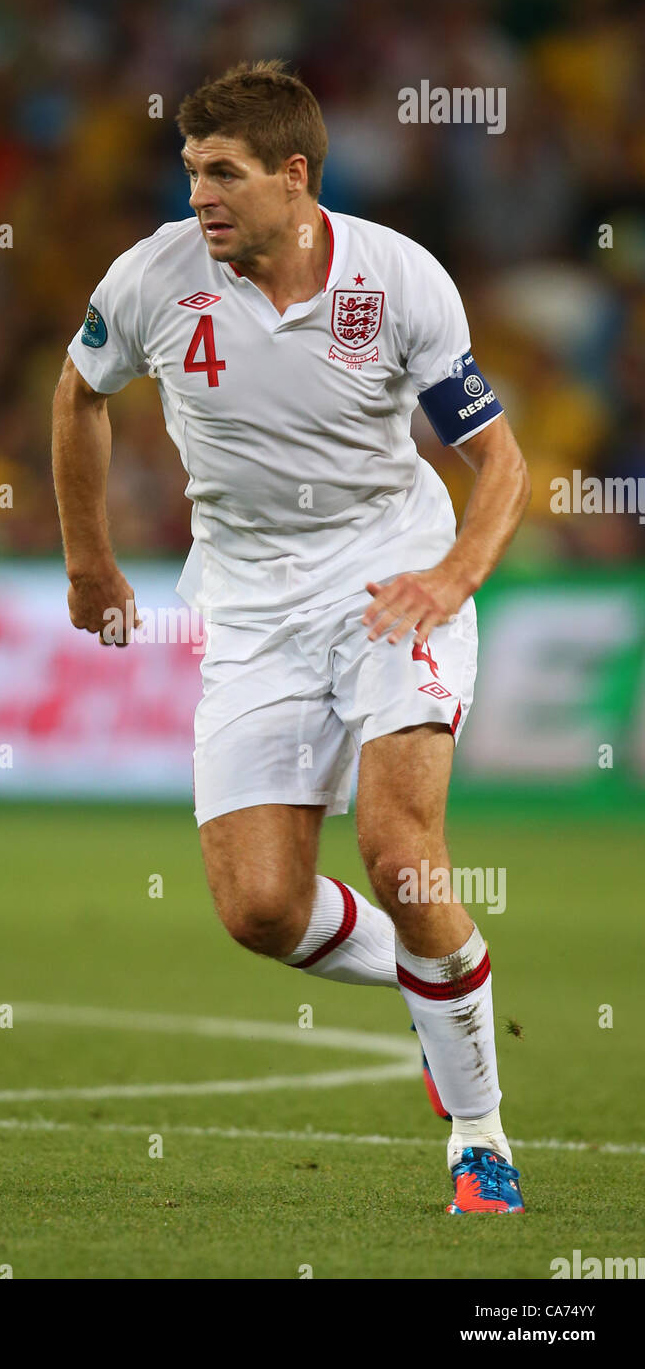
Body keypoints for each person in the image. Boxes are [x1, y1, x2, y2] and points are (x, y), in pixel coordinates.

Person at [52, 60, 531, 1214]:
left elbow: (501, 460)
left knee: (397, 846)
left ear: (294, 177)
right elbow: (79, 394)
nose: (200, 196)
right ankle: (439, 985)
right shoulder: (155, 279)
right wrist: (89, 558)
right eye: (189, 172)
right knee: (259, 910)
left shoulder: (398, 277)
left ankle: (479, 1136)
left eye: (223, 174)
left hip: (388, 583)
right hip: (252, 606)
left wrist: (452, 576)